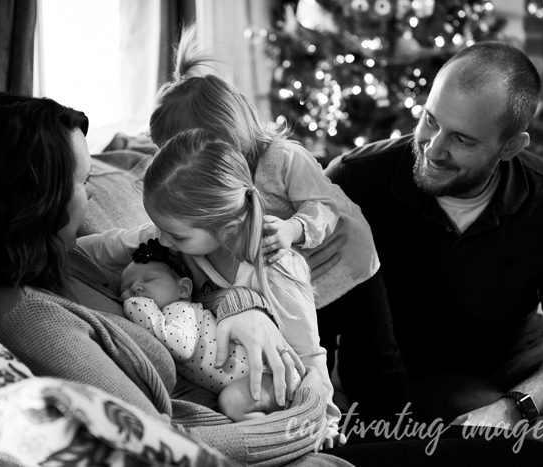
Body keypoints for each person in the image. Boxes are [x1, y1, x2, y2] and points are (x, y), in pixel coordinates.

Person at [0, 91, 543, 467]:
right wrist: (305, 425)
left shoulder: (59, 261)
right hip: (278, 444)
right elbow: (160, 444)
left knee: (523, 454)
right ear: (36, 198)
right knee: (523, 461)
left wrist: (241, 308)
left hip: (279, 410)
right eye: (83, 182)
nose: (91, 197)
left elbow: (161, 255)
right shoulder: (26, 315)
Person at [325, 40, 543, 464]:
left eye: (462, 140)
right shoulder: (356, 181)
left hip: (514, 361)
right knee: (539, 447)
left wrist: (515, 406)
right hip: (406, 375)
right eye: (430, 120)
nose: (433, 148)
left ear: (510, 147)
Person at [147, 24, 410, 418]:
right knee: (316, 351)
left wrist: (293, 228)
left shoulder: (284, 159)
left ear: (224, 139)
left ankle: (399, 425)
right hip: (299, 282)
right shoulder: (211, 195)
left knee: (374, 359)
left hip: (347, 264)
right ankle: (333, 421)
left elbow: (325, 206)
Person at [82, 128, 343, 447]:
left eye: (176, 236)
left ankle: (284, 437)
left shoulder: (277, 267)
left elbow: (309, 358)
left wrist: (326, 420)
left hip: (272, 383)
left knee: (234, 401)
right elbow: (103, 247)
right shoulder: (171, 236)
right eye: (160, 229)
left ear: (228, 226)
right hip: (217, 376)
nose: (162, 241)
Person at [120, 237, 295, 422]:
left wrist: (137, 307)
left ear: (184, 289)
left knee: (232, 402)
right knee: (233, 402)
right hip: (256, 379)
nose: (135, 288)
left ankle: (281, 430)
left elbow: (181, 348)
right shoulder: (166, 316)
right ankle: (280, 423)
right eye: (125, 287)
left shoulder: (180, 309)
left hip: (269, 375)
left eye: (149, 279)